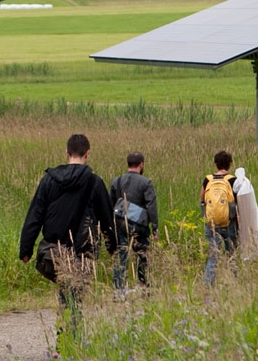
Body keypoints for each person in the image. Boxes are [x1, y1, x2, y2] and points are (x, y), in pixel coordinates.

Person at [19, 134, 114, 325]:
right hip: (83, 251)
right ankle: (72, 342)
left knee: (67, 293)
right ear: (87, 153)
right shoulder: (95, 183)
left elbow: (35, 215)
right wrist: (113, 247)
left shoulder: (49, 181)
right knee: (75, 297)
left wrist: (26, 249)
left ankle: (66, 342)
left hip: (55, 251)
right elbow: (107, 218)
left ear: (67, 153)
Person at [109, 151, 158, 291]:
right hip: (140, 225)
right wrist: (155, 228)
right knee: (141, 255)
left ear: (128, 164)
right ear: (141, 164)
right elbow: (151, 206)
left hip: (120, 223)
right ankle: (143, 285)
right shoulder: (146, 182)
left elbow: (110, 204)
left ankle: (118, 288)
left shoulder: (116, 181)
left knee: (121, 255)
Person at [201, 149, 240, 287]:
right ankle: (233, 284)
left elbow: (202, 201)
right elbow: (237, 203)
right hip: (229, 223)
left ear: (216, 164)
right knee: (232, 254)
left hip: (211, 224)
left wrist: (205, 219)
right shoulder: (232, 180)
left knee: (213, 255)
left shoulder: (208, 179)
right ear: (229, 164)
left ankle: (207, 285)